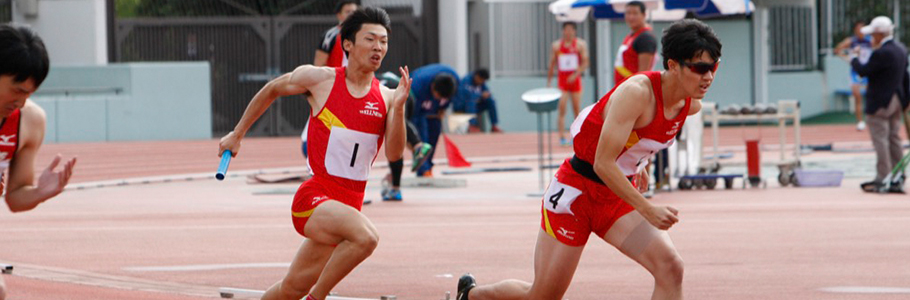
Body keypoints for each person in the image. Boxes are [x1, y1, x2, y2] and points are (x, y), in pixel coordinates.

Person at [457, 19, 721, 300]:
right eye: (700, 68)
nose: (708, 77)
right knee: (543, 296)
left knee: (671, 268)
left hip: (615, 197)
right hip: (577, 193)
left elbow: (643, 137)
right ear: (672, 65)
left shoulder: (690, 106)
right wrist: (647, 208)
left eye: (714, 66)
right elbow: (602, 163)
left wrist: (640, 163)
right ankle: (472, 295)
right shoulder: (636, 93)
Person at [218, 7, 411, 300]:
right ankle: (317, 298)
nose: (378, 47)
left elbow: (395, 154)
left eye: (383, 41)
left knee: (290, 289)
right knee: (366, 238)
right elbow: (272, 89)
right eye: (370, 39)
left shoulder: (387, 97)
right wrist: (237, 134)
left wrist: (398, 108)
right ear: (348, 44)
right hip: (315, 199)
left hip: (349, 206)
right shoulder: (321, 80)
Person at [0, 24, 78, 300]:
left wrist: (40, 193)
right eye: (17, 90)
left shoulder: (29, 121)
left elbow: (15, 197)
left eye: (29, 94)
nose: (21, 102)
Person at [850, 16, 909, 193]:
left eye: (873, 34)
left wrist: (854, 58)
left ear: (879, 33)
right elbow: (906, 77)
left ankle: (883, 177)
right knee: (894, 138)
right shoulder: (901, 49)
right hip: (897, 100)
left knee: (880, 140)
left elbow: (863, 71)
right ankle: (899, 175)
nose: (871, 38)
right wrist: (906, 101)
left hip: (881, 102)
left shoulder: (882, 53)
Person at [376, 72, 432, 201]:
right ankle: (395, 187)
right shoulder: (381, 75)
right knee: (398, 134)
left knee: (394, 138)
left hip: (395, 94)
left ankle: (418, 145)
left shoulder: (365, 80)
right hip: (408, 94)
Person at [410, 63, 458, 177]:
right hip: (417, 106)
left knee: (434, 134)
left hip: (433, 109)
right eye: (437, 96)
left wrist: (443, 108)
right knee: (422, 135)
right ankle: (423, 168)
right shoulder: (417, 85)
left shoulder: (455, 81)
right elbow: (414, 115)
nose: (439, 98)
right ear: (432, 87)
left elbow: (450, 99)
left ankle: (429, 165)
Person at [547, 22, 589, 146]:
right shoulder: (556, 46)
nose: (568, 32)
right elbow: (552, 64)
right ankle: (561, 137)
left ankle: (577, 135)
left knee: (576, 109)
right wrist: (549, 81)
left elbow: (585, 63)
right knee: (562, 109)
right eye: (566, 30)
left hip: (575, 81)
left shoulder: (580, 45)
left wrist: (576, 74)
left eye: (571, 30)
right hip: (563, 82)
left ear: (574, 31)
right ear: (563, 31)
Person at [835, 21, 874, 131]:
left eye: (862, 29)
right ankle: (860, 121)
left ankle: (871, 119)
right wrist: (847, 58)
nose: (860, 31)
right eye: (858, 29)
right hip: (855, 71)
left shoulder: (870, 40)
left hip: (868, 71)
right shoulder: (851, 41)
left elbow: (879, 49)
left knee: (871, 96)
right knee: (857, 96)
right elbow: (837, 49)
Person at [614, 1, 658, 86]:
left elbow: (643, 74)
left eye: (635, 13)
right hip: (624, 87)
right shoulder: (632, 35)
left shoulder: (645, 38)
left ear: (644, 15)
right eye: (628, 13)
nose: (631, 17)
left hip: (633, 89)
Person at [454, 68, 502, 133]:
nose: (482, 82)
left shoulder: (482, 83)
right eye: (481, 80)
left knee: (491, 101)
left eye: (483, 81)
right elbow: (465, 97)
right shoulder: (466, 81)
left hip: (474, 107)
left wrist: (487, 94)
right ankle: (472, 125)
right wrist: (480, 95)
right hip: (461, 106)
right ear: (477, 76)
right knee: (471, 101)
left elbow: (486, 92)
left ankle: (494, 125)